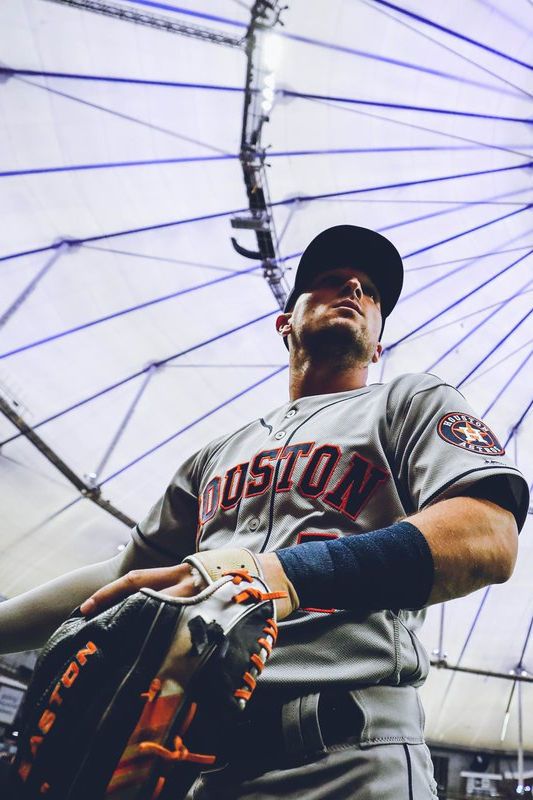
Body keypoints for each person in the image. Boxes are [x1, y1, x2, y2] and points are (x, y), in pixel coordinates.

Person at [0, 225, 528, 799]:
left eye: (370, 291)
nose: (353, 285)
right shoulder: (215, 455)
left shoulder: (408, 402)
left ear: (377, 344)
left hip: (352, 757)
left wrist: (279, 576)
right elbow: (121, 576)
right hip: (204, 768)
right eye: (329, 281)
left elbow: (486, 534)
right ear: (286, 323)